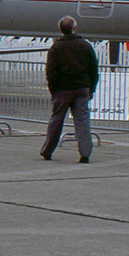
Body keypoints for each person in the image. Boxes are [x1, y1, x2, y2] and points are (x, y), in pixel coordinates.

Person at [40, 16, 98, 163]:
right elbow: (93, 69)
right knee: (82, 121)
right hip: (82, 88)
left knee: (56, 120)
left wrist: (53, 89)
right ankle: (85, 153)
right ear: (75, 28)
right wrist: (91, 87)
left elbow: (51, 71)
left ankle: (48, 150)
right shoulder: (85, 45)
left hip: (62, 89)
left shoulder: (56, 48)